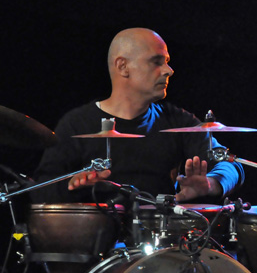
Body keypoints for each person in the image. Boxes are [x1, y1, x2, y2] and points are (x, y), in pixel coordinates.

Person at [31, 27, 244, 204]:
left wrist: (212, 183)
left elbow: (232, 165)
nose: (169, 70)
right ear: (123, 66)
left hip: (161, 245)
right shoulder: (77, 123)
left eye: (167, 61)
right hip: (95, 246)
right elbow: (40, 189)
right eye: (156, 62)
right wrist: (72, 185)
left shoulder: (177, 120)